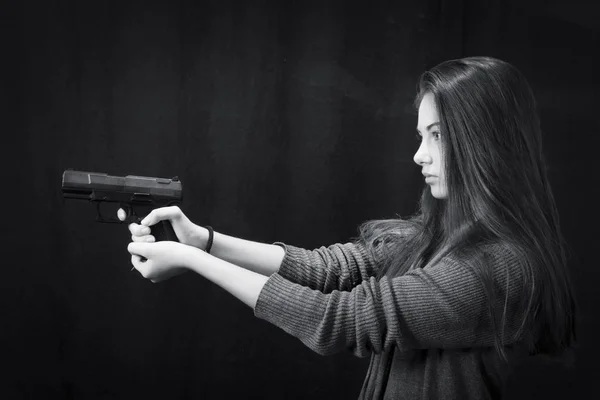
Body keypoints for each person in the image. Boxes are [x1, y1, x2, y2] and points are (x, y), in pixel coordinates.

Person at [119, 56, 577, 399]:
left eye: (437, 135)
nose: (419, 155)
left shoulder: (500, 269)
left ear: (484, 142)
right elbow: (329, 270)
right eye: (421, 136)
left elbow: (337, 320)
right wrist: (207, 241)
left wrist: (193, 261)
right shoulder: (437, 236)